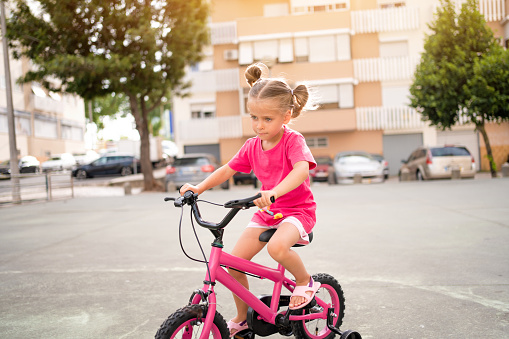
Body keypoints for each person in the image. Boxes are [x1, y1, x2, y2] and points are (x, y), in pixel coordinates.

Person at [179, 63, 319, 336]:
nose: (259, 125)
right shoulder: (252, 145)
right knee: (231, 262)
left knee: (277, 249)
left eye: (267, 119)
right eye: (254, 117)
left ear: (286, 116)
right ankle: (243, 319)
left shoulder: (293, 141)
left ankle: (304, 280)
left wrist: (275, 191)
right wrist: (199, 188)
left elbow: (302, 169)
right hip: (268, 213)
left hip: (297, 211)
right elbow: (227, 169)